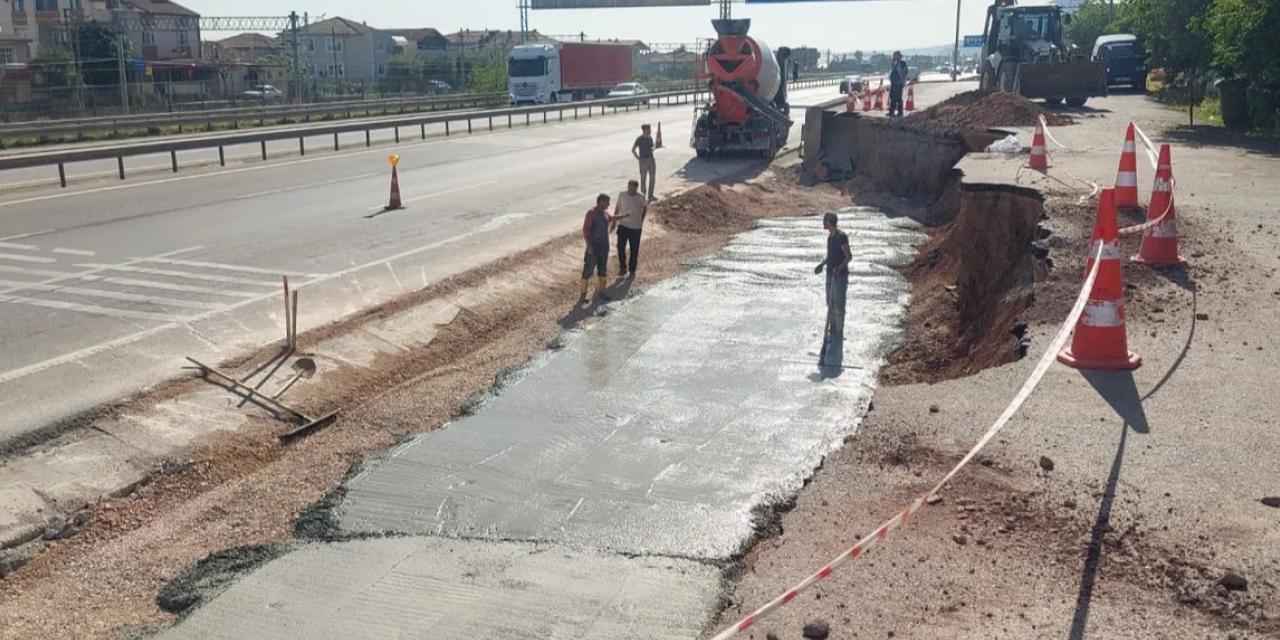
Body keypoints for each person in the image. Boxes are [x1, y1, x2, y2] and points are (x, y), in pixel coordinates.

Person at [814, 212, 851, 367]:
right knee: (830, 303)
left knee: (838, 305)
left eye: (824, 221)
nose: (823, 223)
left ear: (830, 222)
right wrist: (822, 265)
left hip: (840, 276)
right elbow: (830, 255)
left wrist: (839, 268)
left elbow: (848, 256)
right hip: (830, 275)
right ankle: (832, 329)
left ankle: (838, 331)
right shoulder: (830, 237)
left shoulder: (842, 236)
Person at [611, 179, 647, 278]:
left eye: (633, 188)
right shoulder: (622, 195)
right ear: (627, 186)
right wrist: (614, 222)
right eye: (629, 187)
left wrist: (641, 220)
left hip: (636, 228)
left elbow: (645, 208)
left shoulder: (641, 197)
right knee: (620, 247)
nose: (631, 190)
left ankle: (632, 270)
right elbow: (617, 208)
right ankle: (623, 268)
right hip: (623, 226)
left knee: (634, 249)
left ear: (636, 188)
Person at [580, 194, 612, 303]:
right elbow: (585, 231)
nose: (609, 204)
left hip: (604, 248)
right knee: (588, 271)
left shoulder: (605, 213)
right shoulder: (591, 213)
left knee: (602, 270)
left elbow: (611, 218)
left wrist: (623, 216)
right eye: (607, 202)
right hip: (593, 248)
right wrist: (589, 246)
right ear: (601, 202)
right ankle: (583, 295)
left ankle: (601, 292)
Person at [632, 124, 657, 201]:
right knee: (643, 178)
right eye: (648, 129)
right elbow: (633, 150)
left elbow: (652, 148)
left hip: (651, 159)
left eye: (650, 129)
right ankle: (643, 196)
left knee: (652, 178)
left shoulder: (650, 138)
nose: (650, 131)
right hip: (643, 160)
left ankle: (651, 195)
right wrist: (638, 158)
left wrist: (656, 146)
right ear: (644, 130)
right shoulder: (639, 139)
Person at [889, 51, 909, 118]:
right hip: (893, 83)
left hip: (898, 83)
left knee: (898, 98)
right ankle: (891, 112)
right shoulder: (895, 63)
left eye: (895, 55)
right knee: (892, 97)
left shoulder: (902, 63)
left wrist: (903, 81)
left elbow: (904, 73)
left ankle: (900, 112)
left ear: (899, 56)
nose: (894, 57)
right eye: (894, 55)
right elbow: (892, 70)